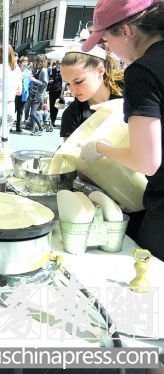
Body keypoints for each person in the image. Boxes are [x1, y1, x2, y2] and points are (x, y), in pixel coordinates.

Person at [80, 0, 164, 260]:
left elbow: (146, 161)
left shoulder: (143, 70)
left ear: (127, 31)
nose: (109, 50)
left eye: (106, 40)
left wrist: (99, 147)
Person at [60, 44, 123, 141]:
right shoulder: (72, 113)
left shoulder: (130, 99)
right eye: (68, 83)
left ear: (100, 71)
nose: (72, 90)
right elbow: (69, 155)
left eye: (78, 82)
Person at [27, 54, 49, 136]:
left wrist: (34, 80)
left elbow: (44, 83)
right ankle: (35, 129)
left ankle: (40, 128)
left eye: (36, 61)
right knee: (32, 113)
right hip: (34, 93)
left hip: (39, 95)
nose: (34, 62)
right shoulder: (38, 69)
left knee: (32, 113)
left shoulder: (44, 71)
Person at [48, 60, 63, 126]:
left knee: (56, 106)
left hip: (58, 91)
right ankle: (51, 120)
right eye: (59, 63)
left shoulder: (63, 71)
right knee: (51, 106)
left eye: (61, 64)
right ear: (56, 64)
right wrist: (49, 81)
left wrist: (62, 93)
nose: (60, 65)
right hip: (52, 90)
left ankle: (53, 121)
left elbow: (63, 83)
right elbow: (48, 78)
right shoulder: (52, 70)